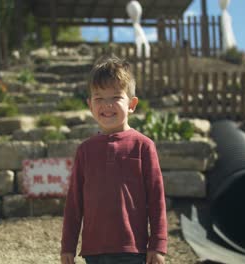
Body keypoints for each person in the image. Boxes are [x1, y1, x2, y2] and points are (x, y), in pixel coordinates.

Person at [60, 55, 167, 264]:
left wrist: (158, 244)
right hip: (93, 251)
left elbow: (156, 199)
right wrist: (68, 247)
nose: (107, 105)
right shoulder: (85, 150)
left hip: (133, 250)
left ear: (131, 104)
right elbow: (74, 204)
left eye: (116, 97)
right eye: (99, 98)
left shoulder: (143, 146)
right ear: (90, 105)